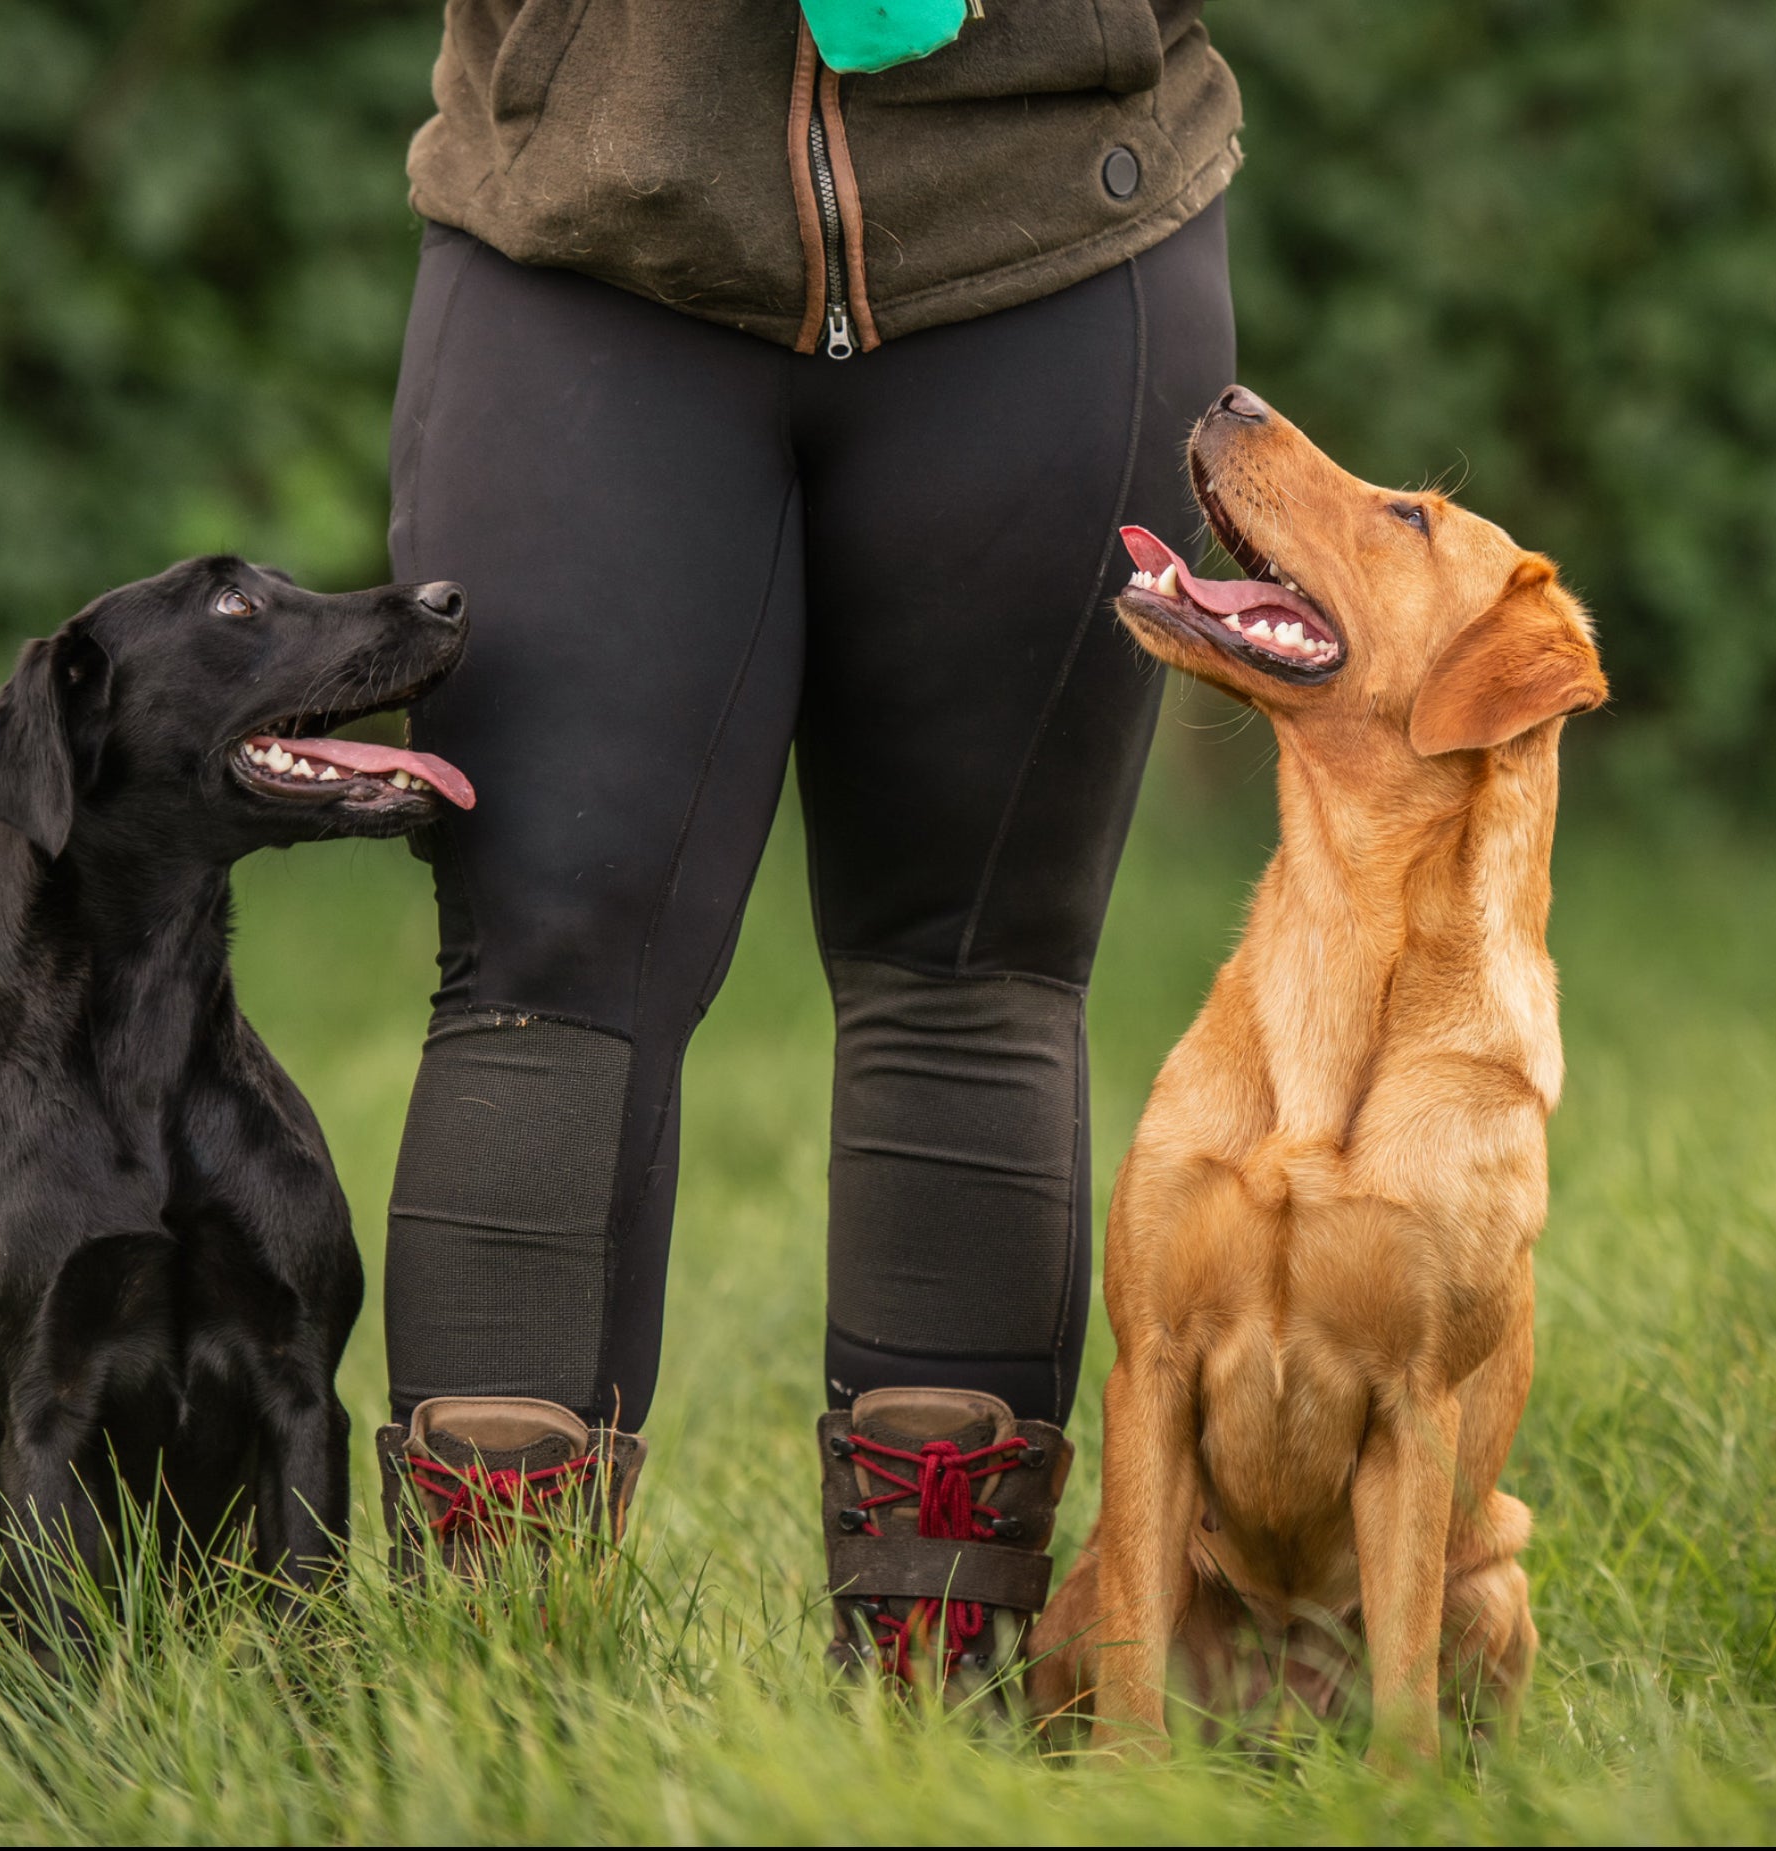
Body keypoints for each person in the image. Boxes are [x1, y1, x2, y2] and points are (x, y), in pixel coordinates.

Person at [368, 2, 1242, 1695]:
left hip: (1053, 233)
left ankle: (934, 1689)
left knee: (970, 973)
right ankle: (488, 1692)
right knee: (542, 977)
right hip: (585, 240)